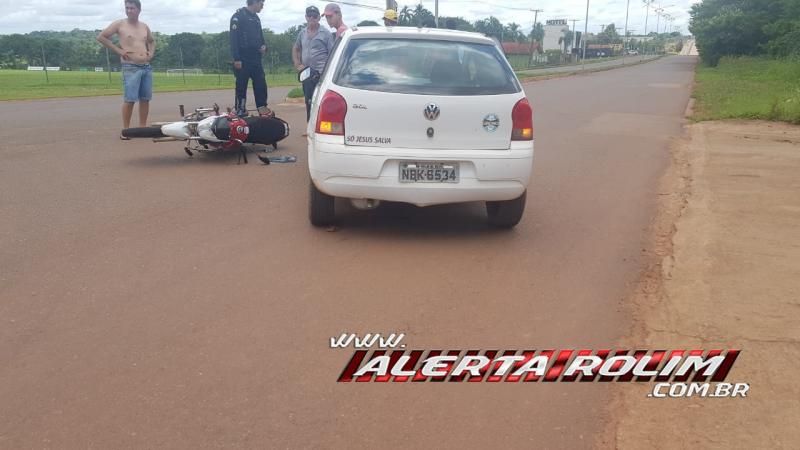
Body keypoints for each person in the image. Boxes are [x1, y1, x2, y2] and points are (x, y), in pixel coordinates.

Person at [97, 0, 155, 139]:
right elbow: (101, 37)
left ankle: (142, 128)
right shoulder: (120, 24)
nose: (129, 10)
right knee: (130, 99)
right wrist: (119, 50)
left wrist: (151, 53)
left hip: (145, 66)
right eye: (127, 8)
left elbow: (151, 41)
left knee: (145, 99)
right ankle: (126, 130)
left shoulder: (144, 26)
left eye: (132, 8)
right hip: (130, 67)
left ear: (139, 10)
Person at [230, 0, 273, 117]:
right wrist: (236, 58)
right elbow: (233, 39)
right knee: (241, 85)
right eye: (261, 3)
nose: (262, 6)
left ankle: (262, 106)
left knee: (260, 83)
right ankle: (241, 108)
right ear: (254, 2)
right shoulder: (238, 17)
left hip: (256, 58)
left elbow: (260, 36)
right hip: (243, 58)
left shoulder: (256, 18)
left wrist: (264, 46)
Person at [292, 6, 333, 122]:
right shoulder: (302, 33)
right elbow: (296, 48)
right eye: (309, 16)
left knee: (321, 101)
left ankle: (321, 127)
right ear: (306, 17)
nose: (312, 18)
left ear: (319, 18)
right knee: (308, 101)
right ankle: (310, 126)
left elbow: (331, 53)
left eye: (314, 16)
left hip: (321, 74)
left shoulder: (326, 33)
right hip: (306, 74)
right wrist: (297, 64)